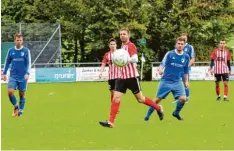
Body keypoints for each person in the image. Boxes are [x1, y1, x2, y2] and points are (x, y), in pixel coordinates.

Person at [99, 28, 163, 128]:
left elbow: (135, 58)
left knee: (141, 99)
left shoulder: (130, 45)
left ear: (128, 35)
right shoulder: (121, 47)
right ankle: (111, 122)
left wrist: (126, 60)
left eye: (124, 34)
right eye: (120, 34)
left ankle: (158, 108)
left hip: (132, 77)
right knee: (115, 98)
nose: (122, 36)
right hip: (121, 77)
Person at [144, 36, 190, 121]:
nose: (180, 45)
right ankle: (147, 117)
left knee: (183, 98)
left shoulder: (186, 56)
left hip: (177, 81)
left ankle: (176, 113)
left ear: (184, 46)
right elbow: (163, 63)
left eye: (181, 44)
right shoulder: (170, 53)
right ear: (176, 44)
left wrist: (186, 81)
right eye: (178, 43)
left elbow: (186, 70)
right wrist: (161, 69)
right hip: (166, 81)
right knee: (157, 100)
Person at [2, 33, 31, 117]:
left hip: (23, 77)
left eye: (20, 40)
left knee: (22, 94)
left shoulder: (26, 51)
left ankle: (20, 111)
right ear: (14, 41)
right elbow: (7, 62)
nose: (19, 42)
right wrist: (4, 73)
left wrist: (27, 73)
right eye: (17, 40)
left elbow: (29, 63)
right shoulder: (11, 51)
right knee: (10, 92)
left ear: (22, 41)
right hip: (13, 76)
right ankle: (16, 106)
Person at [174, 33, 195, 103]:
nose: (184, 39)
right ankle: (177, 99)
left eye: (185, 38)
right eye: (182, 38)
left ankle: (186, 99)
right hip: (178, 68)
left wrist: (186, 66)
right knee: (176, 83)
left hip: (186, 69)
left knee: (185, 83)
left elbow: (193, 58)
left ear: (186, 39)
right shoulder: (178, 46)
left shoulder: (190, 47)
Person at [99, 38, 120, 102]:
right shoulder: (107, 54)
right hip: (111, 76)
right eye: (111, 44)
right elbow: (103, 64)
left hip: (119, 76)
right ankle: (113, 105)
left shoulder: (120, 53)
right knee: (112, 92)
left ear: (116, 45)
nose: (113, 45)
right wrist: (101, 73)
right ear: (109, 46)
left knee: (117, 93)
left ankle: (115, 108)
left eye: (114, 44)